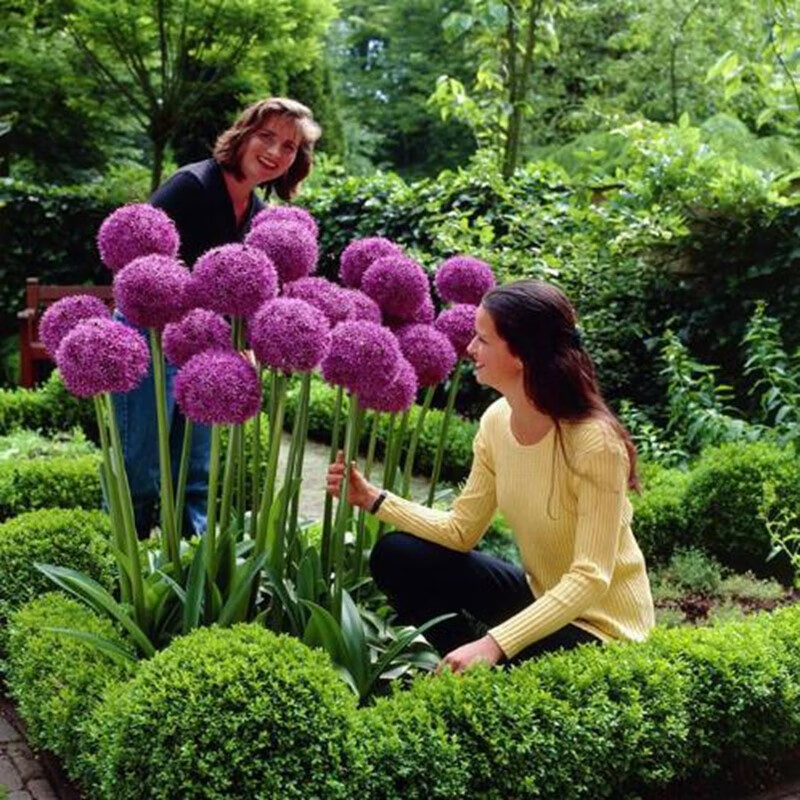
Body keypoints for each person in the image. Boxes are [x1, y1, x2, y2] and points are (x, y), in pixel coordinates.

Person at [326, 279, 655, 673]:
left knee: (517, 650)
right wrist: (374, 500)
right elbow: (462, 531)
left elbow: (590, 577)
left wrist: (495, 642)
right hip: (542, 599)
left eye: (483, 339)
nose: (470, 349)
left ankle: (488, 665)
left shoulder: (595, 443)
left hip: (604, 630)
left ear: (520, 354)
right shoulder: (497, 421)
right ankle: (472, 670)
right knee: (397, 556)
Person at [115, 97, 321, 538]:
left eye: (289, 147)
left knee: (195, 471)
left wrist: (245, 342)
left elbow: (246, 295)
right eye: (267, 136)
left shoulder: (260, 217)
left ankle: (192, 564)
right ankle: (127, 570)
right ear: (243, 134)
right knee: (139, 465)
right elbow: (136, 266)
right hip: (148, 337)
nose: (274, 152)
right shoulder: (190, 186)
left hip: (204, 347)